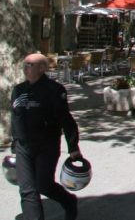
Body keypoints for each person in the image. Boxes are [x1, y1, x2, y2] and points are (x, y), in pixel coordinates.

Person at [11, 53, 81, 220]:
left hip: (47, 144)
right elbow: (15, 117)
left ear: (42, 68)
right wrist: (15, 142)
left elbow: (66, 119)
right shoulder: (18, 90)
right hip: (23, 146)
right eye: (25, 64)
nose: (25, 68)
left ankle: (69, 201)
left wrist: (73, 147)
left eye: (30, 65)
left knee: (43, 185)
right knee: (27, 189)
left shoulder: (54, 90)